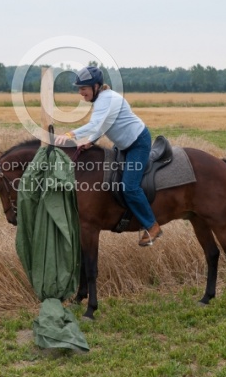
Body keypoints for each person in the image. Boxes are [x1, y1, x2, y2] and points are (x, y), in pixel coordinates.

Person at [54, 65, 162, 247]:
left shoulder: (106, 99)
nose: (81, 93)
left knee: (129, 186)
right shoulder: (102, 100)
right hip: (122, 144)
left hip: (137, 143)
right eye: (79, 89)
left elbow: (96, 124)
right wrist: (91, 141)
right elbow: (104, 125)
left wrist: (71, 135)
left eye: (83, 88)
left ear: (96, 86)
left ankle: (151, 226)